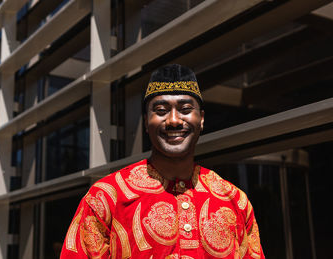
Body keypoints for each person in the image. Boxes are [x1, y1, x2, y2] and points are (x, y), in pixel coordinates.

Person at [60, 64, 265, 259]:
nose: (174, 120)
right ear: (146, 122)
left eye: (185, 109)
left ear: (201, 119)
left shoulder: (235, 201)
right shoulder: (105, 198)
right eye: (160, 110)